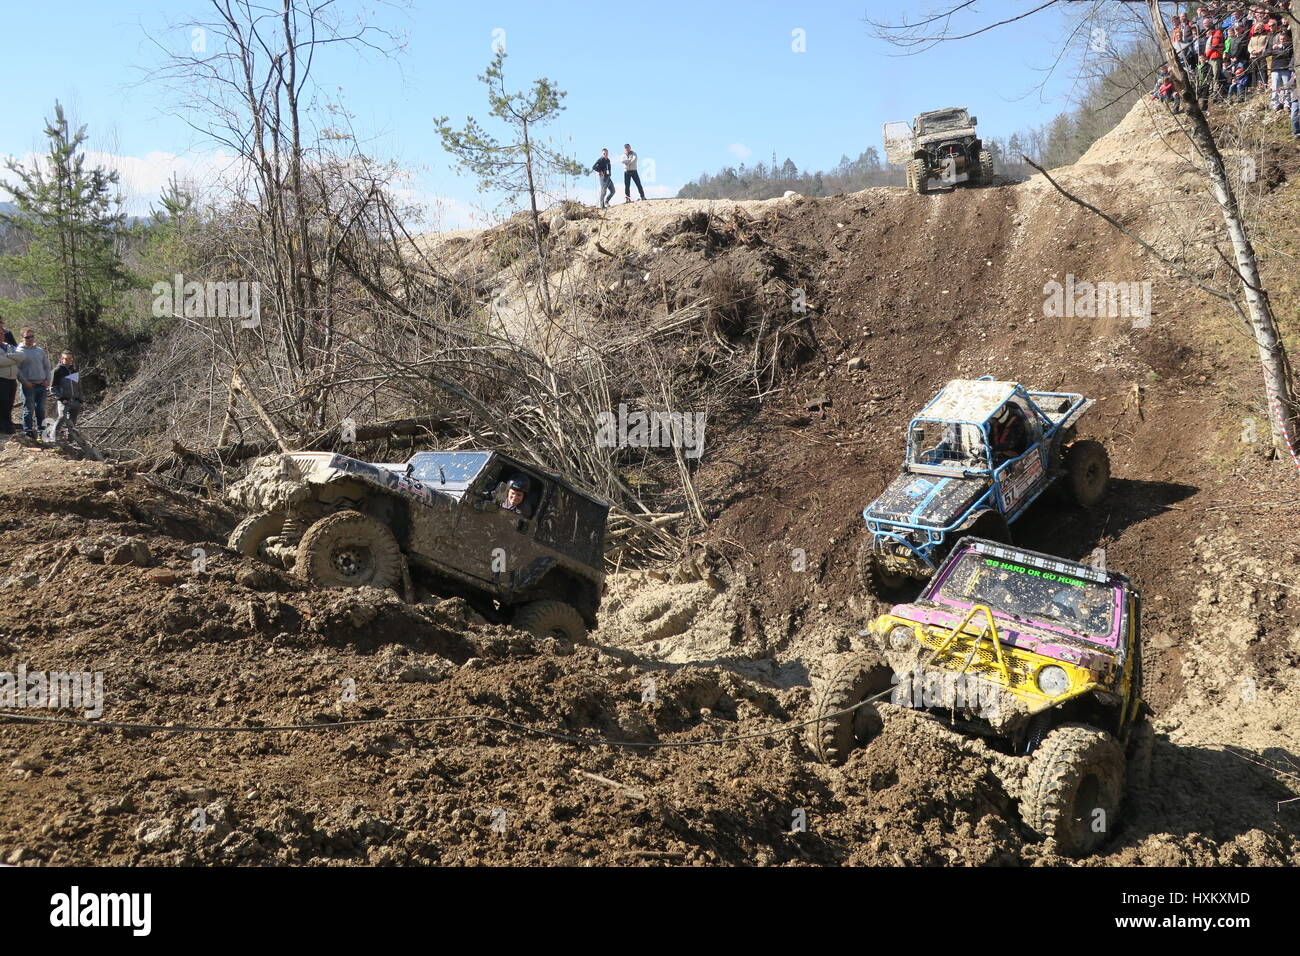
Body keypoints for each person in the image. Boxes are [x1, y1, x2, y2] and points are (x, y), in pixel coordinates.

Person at [15, 328, 50, 440]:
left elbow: (46, 366)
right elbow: (17, 369)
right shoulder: (18, 352)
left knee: (40, 409)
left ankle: (42, 433)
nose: (30, 339)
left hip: (41, 384)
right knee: (28, 409)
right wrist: (25, 382)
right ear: (22, 338)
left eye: (32, 336)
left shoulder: (39, 350)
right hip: (28, 386)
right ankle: (28, 431)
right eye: (27, 337)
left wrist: (47, 380)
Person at [51, 350, 83, 439]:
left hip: (75, 401)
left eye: (70, 359)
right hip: (64, 401)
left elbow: (79, 386)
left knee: (73, 422)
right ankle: (53, 438)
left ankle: (71, 440)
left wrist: (80, 399)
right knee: (61, 417)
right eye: (65, 358)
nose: (68, 360)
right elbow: (53, 388)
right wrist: (61, 398)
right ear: (61, 359)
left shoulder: (74, 371)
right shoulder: (57, 371)